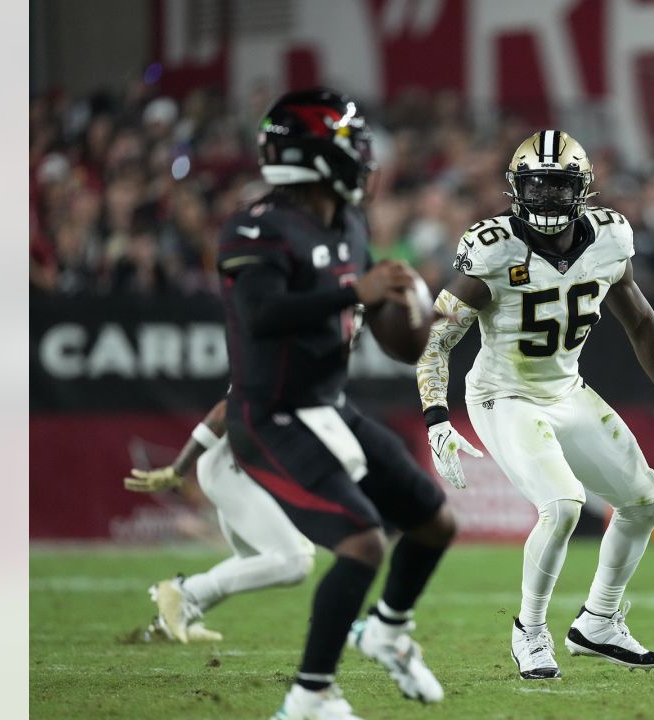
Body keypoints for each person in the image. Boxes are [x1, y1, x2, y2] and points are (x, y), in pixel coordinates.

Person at [417, 130, 654, 680]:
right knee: (564, 504)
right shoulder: (494, 247)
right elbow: (435, 339)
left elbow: (639, 320)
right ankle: (529, 629)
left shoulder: (610, 239)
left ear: (583, 190)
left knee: (646, 501)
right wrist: (435, 418)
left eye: (558, 186)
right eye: (536, 186)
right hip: (503, 395)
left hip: (565, 391)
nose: (546, 198)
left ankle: (598, 621)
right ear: (517, 190)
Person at [217, 87, 458, 720]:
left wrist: (411, 317)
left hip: (330, 408)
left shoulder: (349, 221)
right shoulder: (257, 224)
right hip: (269, 416)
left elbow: (389, 334)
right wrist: (357, 288)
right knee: (362, 543)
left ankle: (387, 630)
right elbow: (262, 314)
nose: (365, 159)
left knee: (435, 521)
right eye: (351, 145)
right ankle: (308, 697)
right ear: (315, 154)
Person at [124, 399, 315, 644]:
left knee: (254, 558)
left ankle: (168, 624)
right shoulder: (288, 361)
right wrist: (178, 469)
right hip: (231, 466)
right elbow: (225, 410)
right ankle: (185, 592)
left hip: (250, 467)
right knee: (295, 562)